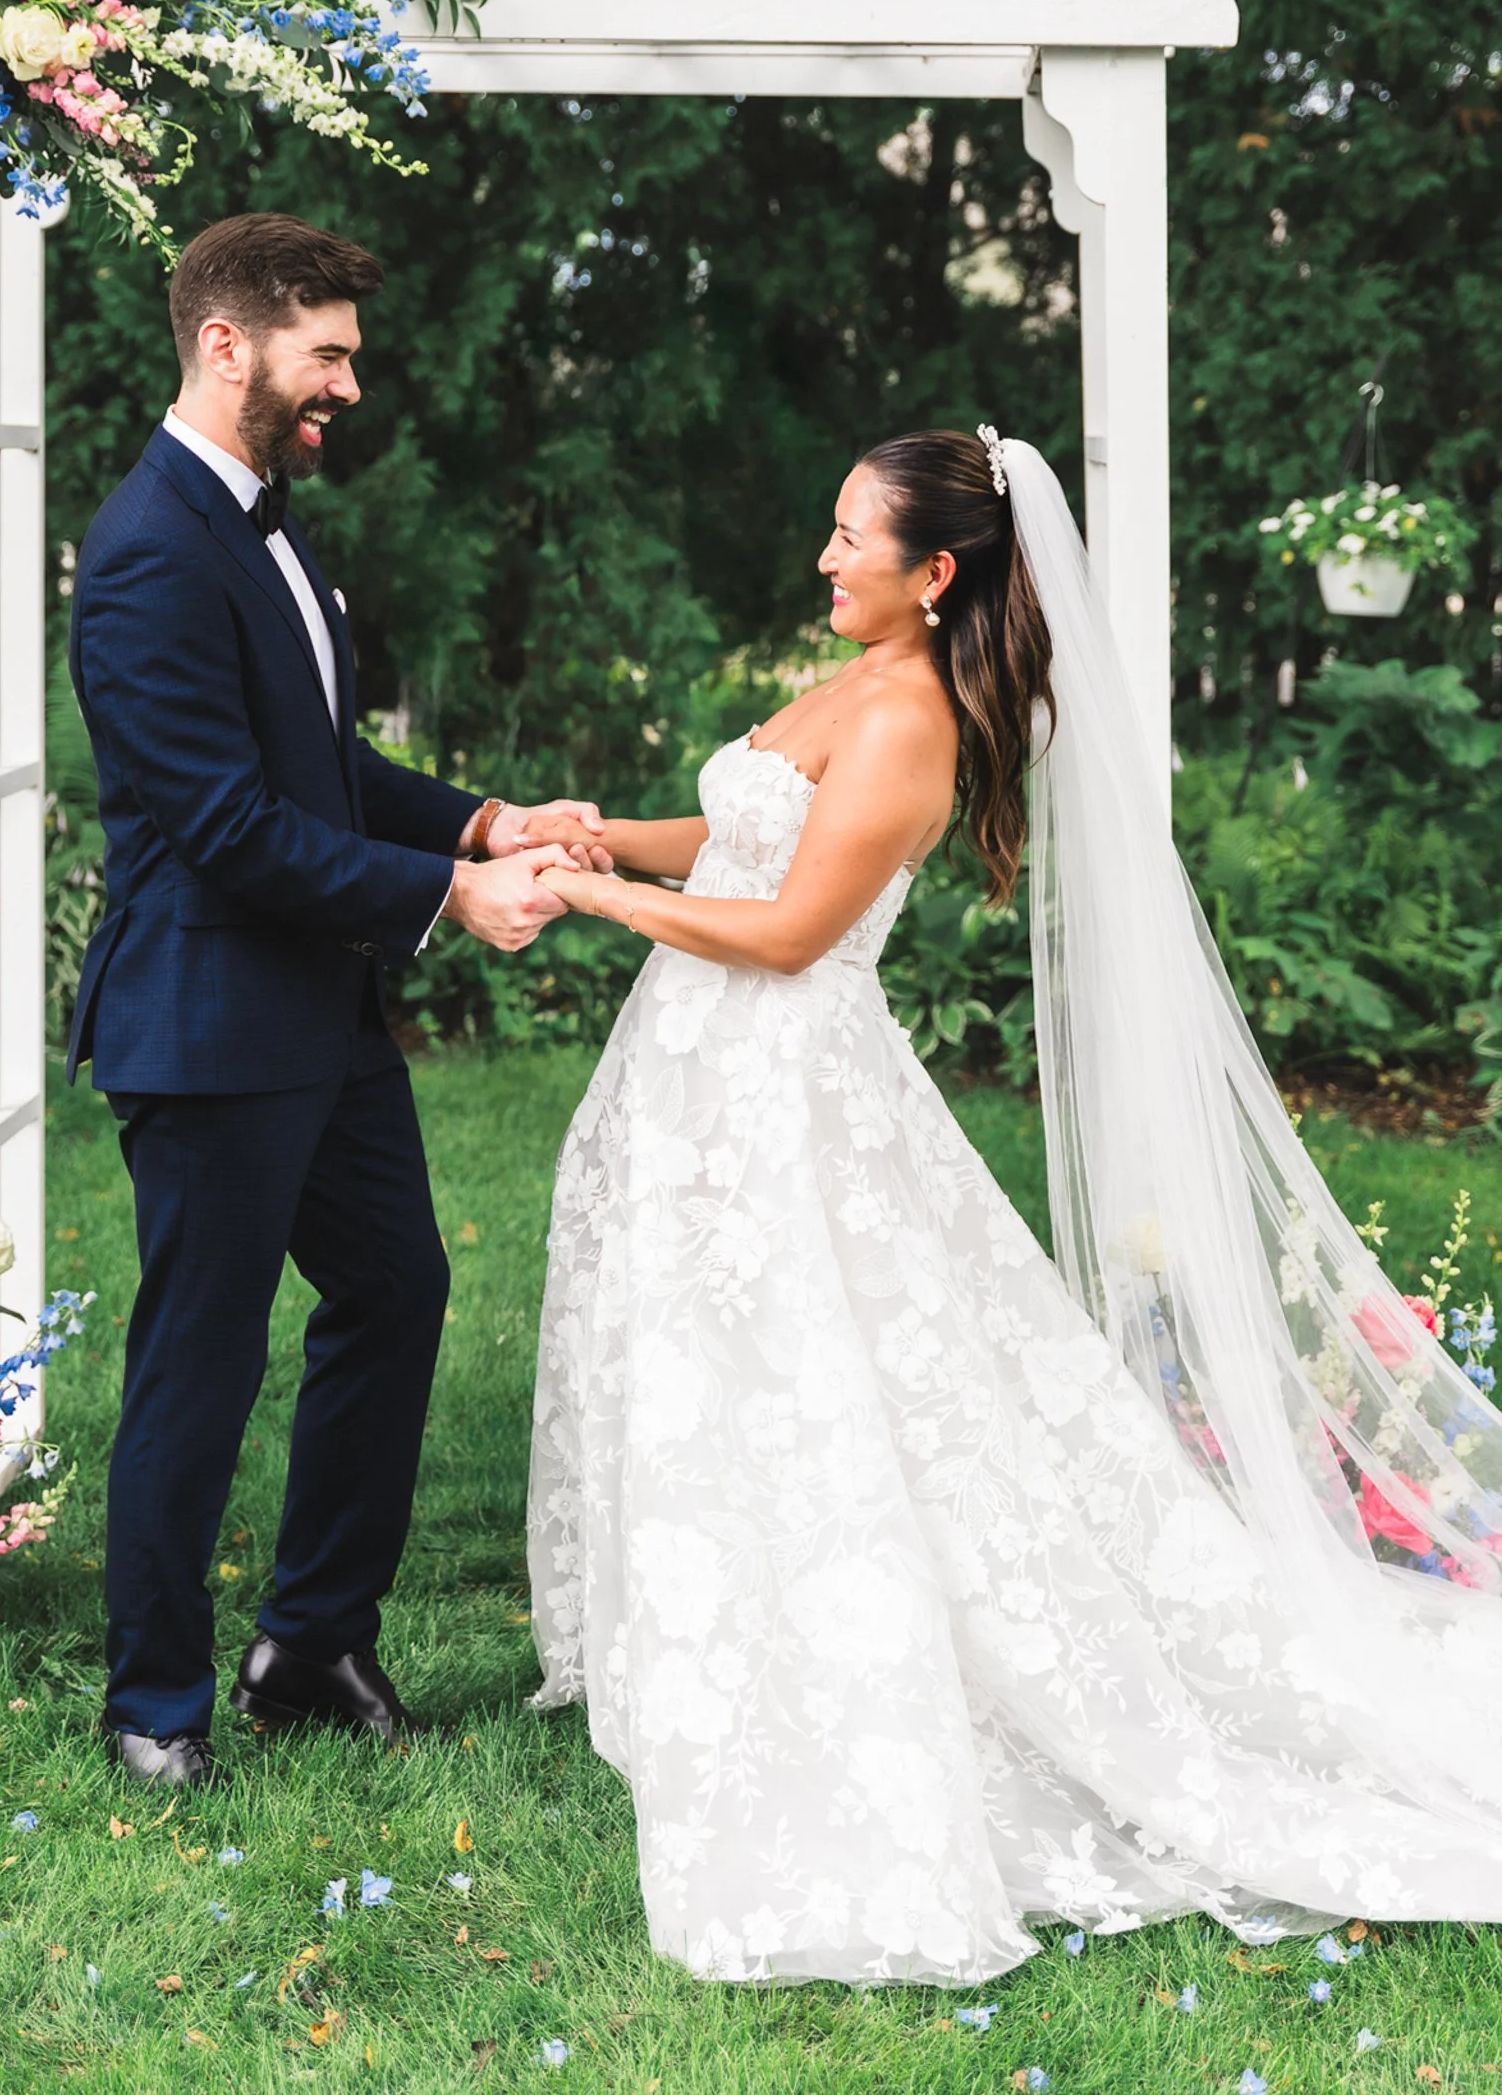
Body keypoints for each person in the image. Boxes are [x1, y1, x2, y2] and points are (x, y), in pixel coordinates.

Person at [529, 424, 1502, 1986]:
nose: (829, 556)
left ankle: (870, 1651)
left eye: (857, 538)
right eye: (835, 528)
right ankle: (725, 1631)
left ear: (938, 573)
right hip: (706, 1077)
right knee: (735, 1373)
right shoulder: (847, 676)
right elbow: (731, 843)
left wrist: (585, 898)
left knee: (838, 1382)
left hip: (789, 1096)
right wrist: (587, 832)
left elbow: (785, 934)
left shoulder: (912, 713)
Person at [68, 211, 609, 1791]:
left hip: (323, 1013)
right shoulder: (150, 551)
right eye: (330, 355)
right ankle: (154, 1706)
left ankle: (311, 1644)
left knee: (395, 1290)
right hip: (212, 1027)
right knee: (202, 1360)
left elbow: (324, 768)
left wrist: (480, 823)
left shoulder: (272, 527)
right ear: (226, 342)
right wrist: (450, 898)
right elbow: (226, 829)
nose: (350, 387)